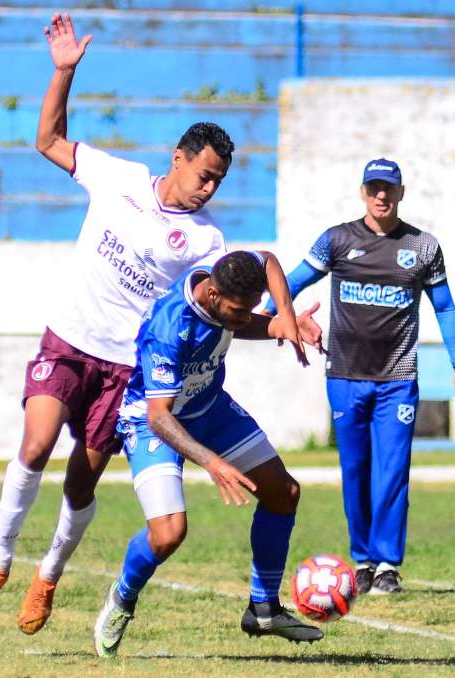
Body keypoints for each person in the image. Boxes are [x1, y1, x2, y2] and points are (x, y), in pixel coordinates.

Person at [0, 13, 309, 636]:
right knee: (35, 445)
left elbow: (239, 285)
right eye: (204, 174)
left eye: (219, 181)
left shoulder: (206, 239)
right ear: (176, 159)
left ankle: (48, 576)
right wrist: (63, 72)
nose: (209, 188)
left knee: (80, 483)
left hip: (127, 371)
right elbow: (47, 139)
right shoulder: (115, 177)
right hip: (69, 341)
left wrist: (280, 321)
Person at [92, 251, 324, 657]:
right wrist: (212, 462)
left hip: (208, 408)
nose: (243, 319)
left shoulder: (228, 279)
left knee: (282, 493)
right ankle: (123, 598)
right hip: (152, 419)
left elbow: (268, 261)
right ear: (213, 295)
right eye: (238, 312)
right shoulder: (171, 326)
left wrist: (282, 317)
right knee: (169, 533)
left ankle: (264, 608)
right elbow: (160, 416)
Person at [264, 158, 455, 595]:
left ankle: (387, 566)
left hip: (397, 378)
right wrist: (267, 317)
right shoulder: (337, 241)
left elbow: (445, 307)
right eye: (374, 187)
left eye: (389, 188)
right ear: (363, 191)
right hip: (344, 375)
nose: (382, 195)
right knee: (355, 469)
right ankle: (362, 560)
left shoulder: (422, 247)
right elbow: (292, 282)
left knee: (392, 471)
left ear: (401, 193)